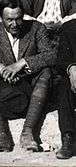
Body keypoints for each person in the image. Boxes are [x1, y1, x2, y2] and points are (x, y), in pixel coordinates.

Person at [0, 0, 57, 152]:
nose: (14, 24)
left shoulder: (36, 28)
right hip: (3, 90)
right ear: (0, 17)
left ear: (23, 15)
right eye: (9, 19)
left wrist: (22, 63)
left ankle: (28, 133)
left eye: (18, 19)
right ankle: (1, 136)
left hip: (30, 89)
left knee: (46, 72)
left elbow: (51, 55)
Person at [55, 19, 76, 159]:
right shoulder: (70, 28)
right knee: (64, 83)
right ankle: (68, 138)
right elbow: (60, 58)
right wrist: (71, 67)